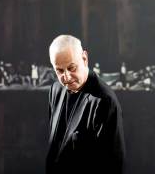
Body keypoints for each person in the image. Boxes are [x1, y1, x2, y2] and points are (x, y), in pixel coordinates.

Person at [46, 34, 126, 174]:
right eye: (59, 70)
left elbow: (113, 165)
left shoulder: (105, 101)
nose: (66, 78)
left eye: (71, 68)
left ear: (84, 59)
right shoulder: (55, 89)